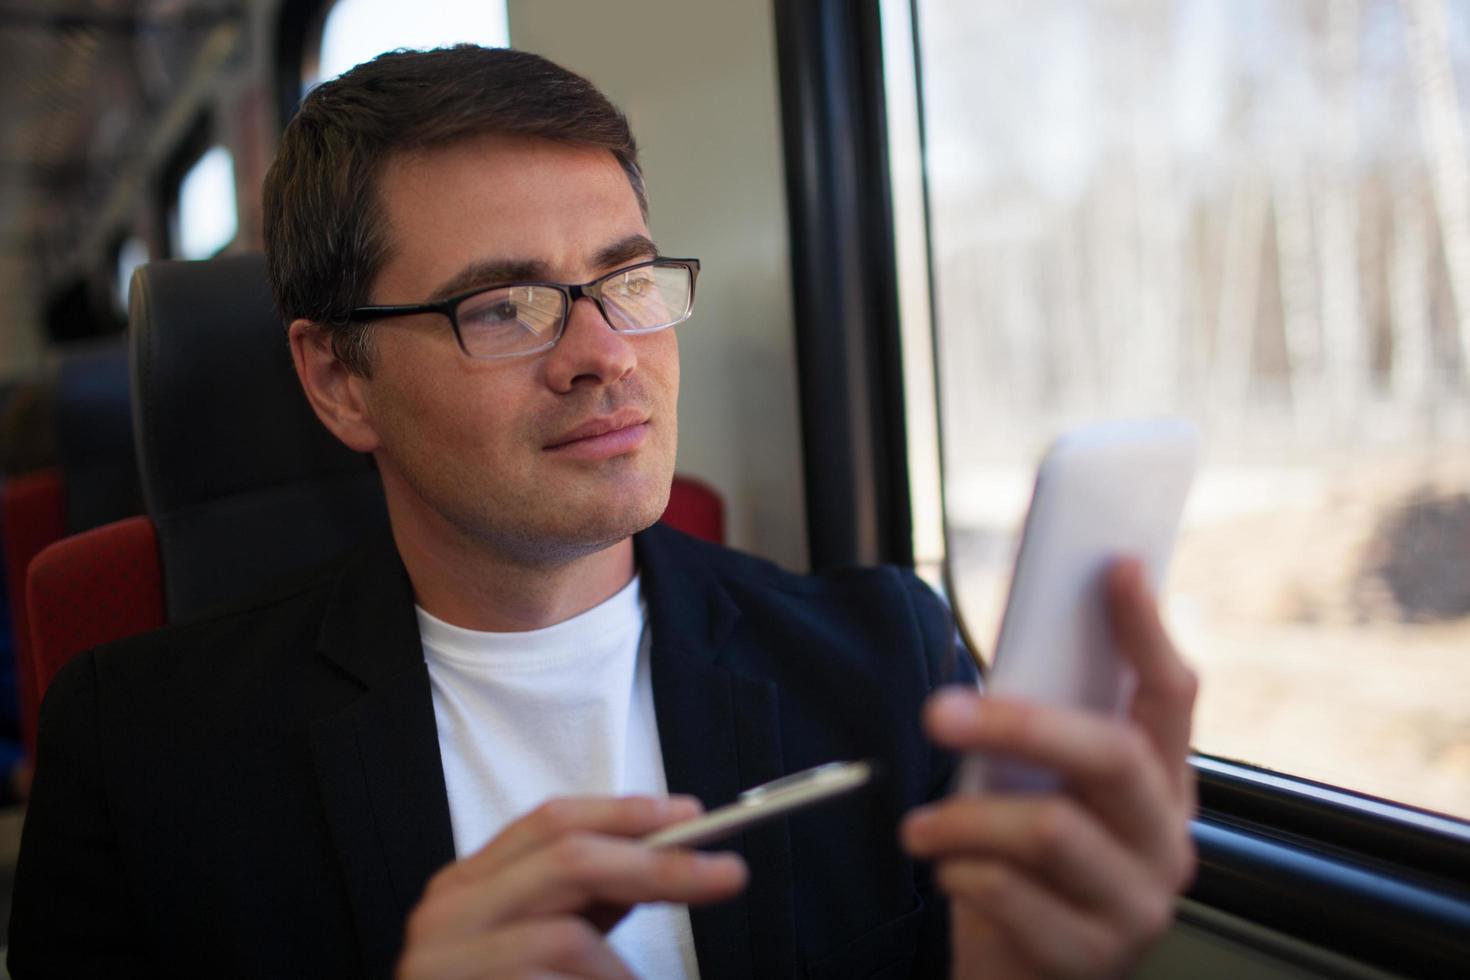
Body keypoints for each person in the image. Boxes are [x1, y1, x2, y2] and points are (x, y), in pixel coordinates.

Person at [9, 46, 1197, 979]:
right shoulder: (143, 746)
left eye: (628, 282)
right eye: (508, 305)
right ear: (338, 379)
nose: (606, 355)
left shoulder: (886, 650)